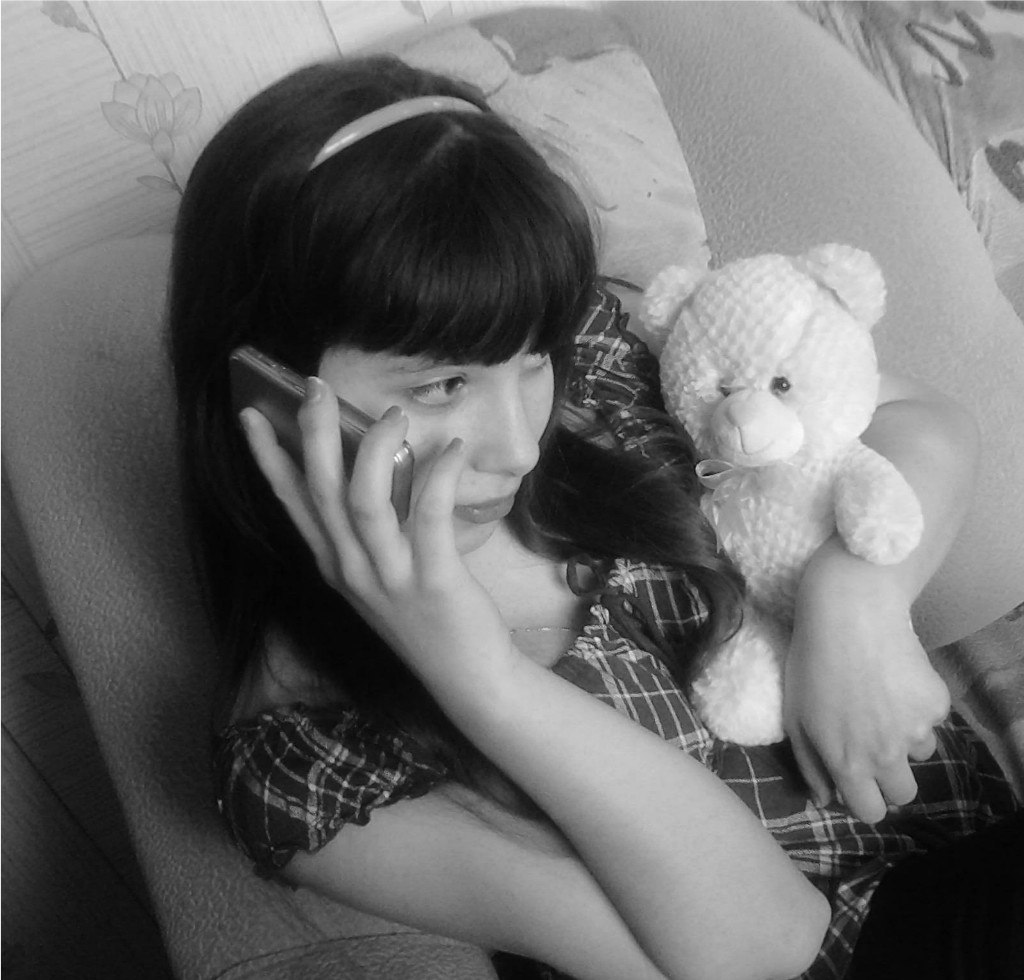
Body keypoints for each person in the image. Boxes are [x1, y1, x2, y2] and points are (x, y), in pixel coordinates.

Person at [169, 56, 1020, 980]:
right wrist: (484, 680)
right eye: (443, 385)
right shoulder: (306, 763)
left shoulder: (598, 373)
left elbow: (916, 418)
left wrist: (852, 603)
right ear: (269, 394)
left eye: (532, 359)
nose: (518, 445)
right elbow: (768, 946)